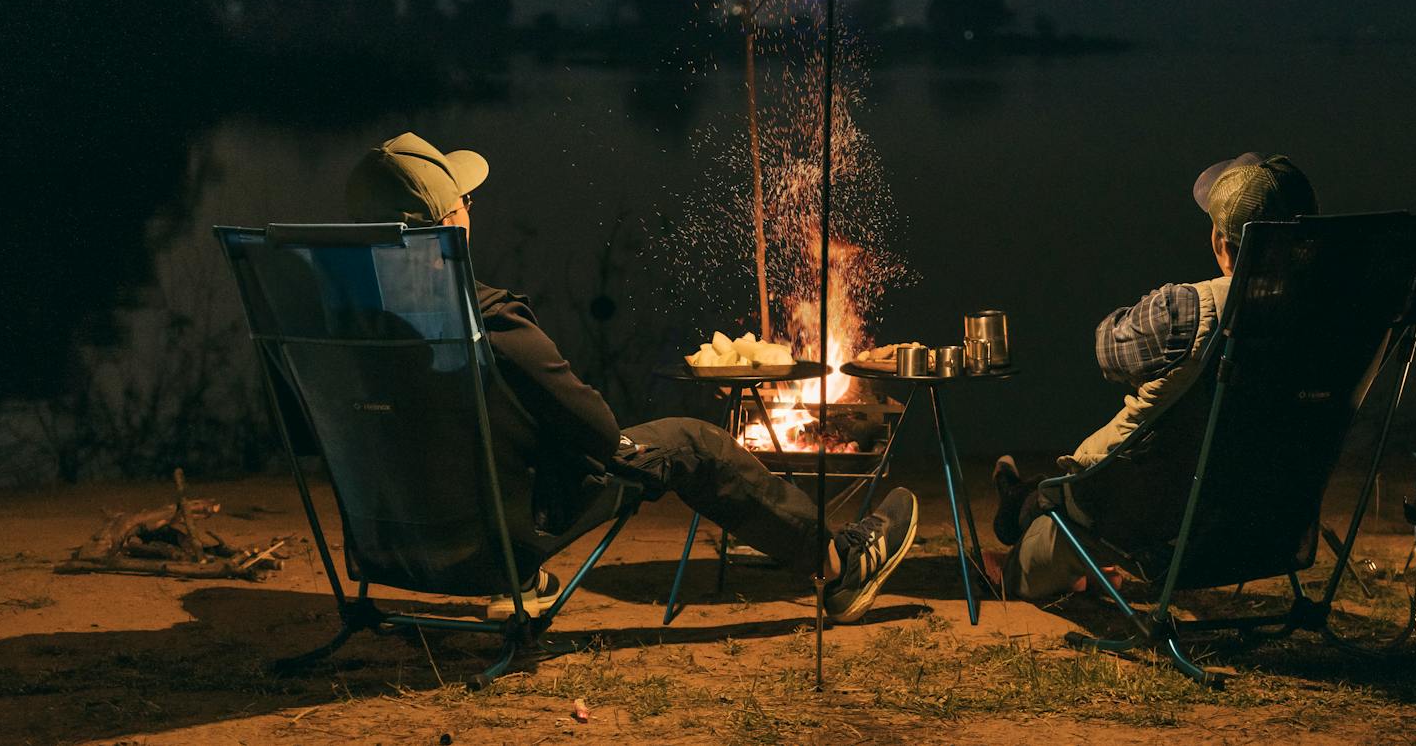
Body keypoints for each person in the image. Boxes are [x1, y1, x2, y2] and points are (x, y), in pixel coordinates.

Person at [344, 131, 918, 622]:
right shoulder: (488, 320)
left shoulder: (335, 330)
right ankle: (840, 566)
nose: (473, 208)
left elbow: (312, 435)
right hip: (499, 539)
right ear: (450, 226)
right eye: (464, 201)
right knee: (696, 443)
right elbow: (596, 431)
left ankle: (518, 583)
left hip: (390, 543)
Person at [990, 153, 1318, 599]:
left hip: (1150, 517)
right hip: (1271, 518)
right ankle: (1020, 495)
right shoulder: (1344, 315)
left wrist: (1159, 306)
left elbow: (1108, 351)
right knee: (1053, 493)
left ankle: (1019, 510)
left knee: (1050, 507)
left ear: (1221, 244)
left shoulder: (1188, 310)